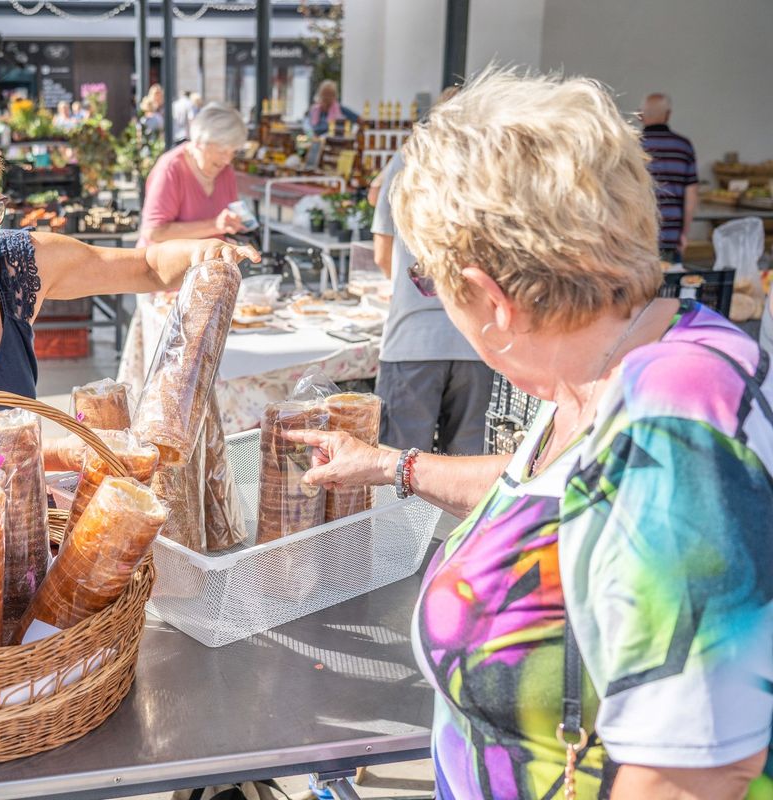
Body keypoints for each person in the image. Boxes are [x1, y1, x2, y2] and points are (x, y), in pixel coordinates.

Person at [291, 69, 773, 800]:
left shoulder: (677, 426)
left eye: (430, 283)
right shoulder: (608, 368)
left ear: (491, 298)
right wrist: (394, 466)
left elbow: (693, 773)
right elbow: (568, 504)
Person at [0, 112, 259, 419]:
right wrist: (75, 452)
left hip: (12, 499)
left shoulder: (17, 263)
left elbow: (144, 266)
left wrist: (199, 253)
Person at [372, 87, 489, 455]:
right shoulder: (494, 166)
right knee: (467, 475)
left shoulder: (407, 161)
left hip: (414, 338)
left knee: (398, 477)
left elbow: (381, 253)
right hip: (479, 339)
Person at [138, 103, 248, 246]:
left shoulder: (226, 171)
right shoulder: (170, 168)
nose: (227, 160)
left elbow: (231, 215)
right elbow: (154, 232)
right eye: (222, 151)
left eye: (233, 152)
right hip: (166, 265)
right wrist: (214, 225)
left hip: (207, 264)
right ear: (199, 142)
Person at [639, 93, 698, 263]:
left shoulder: (631, 145)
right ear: (668, 115)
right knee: (670, 286)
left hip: (638, 235)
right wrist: (684, 234)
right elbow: (691, 194)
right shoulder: (683, 146)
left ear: (641, 116)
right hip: (672, 234)